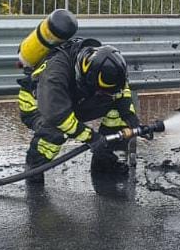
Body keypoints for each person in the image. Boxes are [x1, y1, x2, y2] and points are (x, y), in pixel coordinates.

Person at [18, 41, 141, 183]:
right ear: (87, 78)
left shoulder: (101, 64)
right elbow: (59, 117)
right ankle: (34, 167)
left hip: (72, 101)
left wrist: (129, 114)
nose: (104, 94)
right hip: (39, 106)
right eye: (101, 91)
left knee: (119, 112)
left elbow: (121, 89)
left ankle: (104, 163)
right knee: (55, 130)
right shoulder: (55, 74)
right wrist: (92, 138)